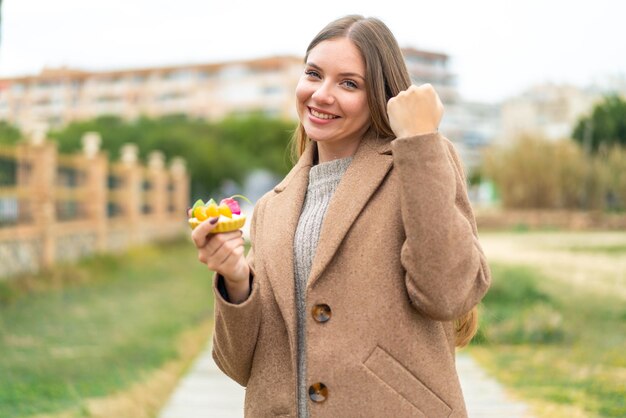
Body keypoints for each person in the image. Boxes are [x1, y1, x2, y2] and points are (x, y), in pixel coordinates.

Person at [190, 14, 491, 418]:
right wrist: (236, 279)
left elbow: (449, 293)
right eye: (313, 74)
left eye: (349, 83)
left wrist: (420, 141)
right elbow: (239, 366)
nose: (321, 95)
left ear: (381, 96)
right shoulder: (272, 208)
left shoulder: (417, 164)